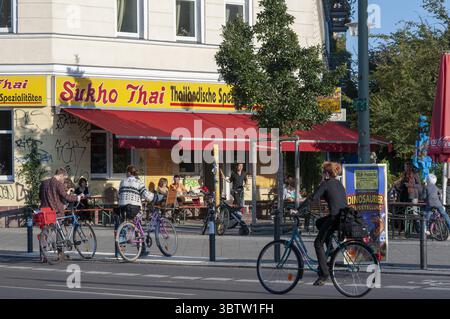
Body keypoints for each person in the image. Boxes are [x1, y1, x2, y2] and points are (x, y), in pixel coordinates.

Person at [299, 162, 347, 286]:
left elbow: (312, 198)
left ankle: (324, 274)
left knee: (317, 243)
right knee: (319, 222)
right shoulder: (339, 184)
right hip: (343, 217)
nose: (321, 174)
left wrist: (298, 210)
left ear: (326, 173)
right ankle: (330, 249)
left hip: (335, 218)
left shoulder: (325, 184)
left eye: (322, 172)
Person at [39, 168, 83, 261]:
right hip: (56, 212)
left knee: (45, 232)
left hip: (44, 211)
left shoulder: (44, 183)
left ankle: (43, 256)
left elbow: (40, 196)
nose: (63, 180)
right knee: (59, 232)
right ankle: (60, 254)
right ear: (61, 175)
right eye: (64, 178)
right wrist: (77, 197)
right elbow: (66, 197)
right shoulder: (58, 184)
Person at [118, 165, 154, 256]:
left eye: (126, 172)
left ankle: (121, 252)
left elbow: (119, 194)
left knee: (123, 226)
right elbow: (147, 196)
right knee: (137, 224)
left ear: (129, 173)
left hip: (122, 208)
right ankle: (142, 249)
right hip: (134, 208)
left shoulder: (122, 182)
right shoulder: (138, 182)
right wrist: (153, 196)